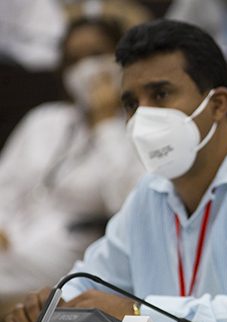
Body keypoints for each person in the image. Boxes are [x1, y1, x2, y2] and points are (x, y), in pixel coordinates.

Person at [4, 19, 227, 322]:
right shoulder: (150, 192)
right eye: (131, 103)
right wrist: (55, 307)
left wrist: (142, 313)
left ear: (217, 104)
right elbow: (95, 283)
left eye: (161, 94)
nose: (142, 115)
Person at [0, 17, 142, 307]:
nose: (85, 69)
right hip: (12, 242)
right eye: (73, 60)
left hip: (67, 251)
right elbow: (5, 182)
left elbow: (126, 203)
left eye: (96, 55)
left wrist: (105, 123)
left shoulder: (135, 130)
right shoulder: (45, 119)